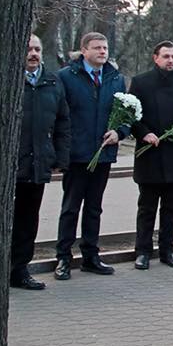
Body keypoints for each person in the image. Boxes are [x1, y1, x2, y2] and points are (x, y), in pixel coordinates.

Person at [54, 32, 131, 280]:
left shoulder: (115, 78)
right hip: (76, 154)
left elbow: (126, 113)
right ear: (83, 51)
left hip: (103, 152)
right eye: (97, 48)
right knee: (71, 208)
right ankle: (63, 258)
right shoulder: (67, 76)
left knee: (94, 207)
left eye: (105, 47)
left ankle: (90, 256)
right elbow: (58, 115)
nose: (102, 52)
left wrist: (119, 132)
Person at [129, 41, 173, 271]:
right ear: (155, 58)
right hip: (149, 153)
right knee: (147, 207)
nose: (171, 61)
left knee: (171, 207)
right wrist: (144, 132)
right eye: (166, 56)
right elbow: (132, 116)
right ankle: (142, 252)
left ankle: (168, 249)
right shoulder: (141, 82)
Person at [11, 35, 70, 290]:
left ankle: (19, 270)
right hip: (10, 164)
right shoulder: (8, 78)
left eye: (37, 49)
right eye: (28, 49)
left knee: (28, 219)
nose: (33, 54)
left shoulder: (52, 81)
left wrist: (60, 157)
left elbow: (63, 123)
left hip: (37, 163)